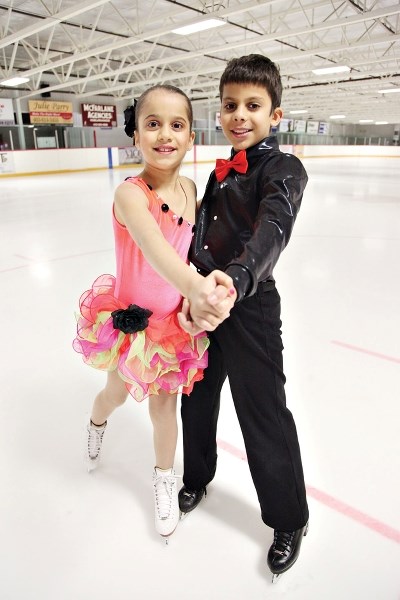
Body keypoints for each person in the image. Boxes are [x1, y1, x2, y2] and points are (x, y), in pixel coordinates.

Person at [73, 84, 235, 541]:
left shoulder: (188, 187)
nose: (165, 134)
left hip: (171, 327)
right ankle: (96, 422)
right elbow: (156, 247)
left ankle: (165, 479)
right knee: (116, 394)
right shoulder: (131, 194)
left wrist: (204, 289)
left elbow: (194, 247)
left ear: (189, 138)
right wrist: (196, 288)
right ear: (137, 136)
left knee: (164, 410)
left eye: (177, 125)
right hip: (132, 323)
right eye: (153, 124)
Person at [177, 55, 309, 581]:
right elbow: (196, 236)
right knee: (197, 397)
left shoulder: (284, 169)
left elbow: (271, 232)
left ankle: (289, 518)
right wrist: (187, 289)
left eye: (253, 106)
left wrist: (235, 278)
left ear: (274, 114)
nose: (239, 115)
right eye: (230, 105)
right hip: (204, 305)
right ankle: (196, 475)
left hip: (248, 306)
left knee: (263, 413)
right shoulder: (217, 172)